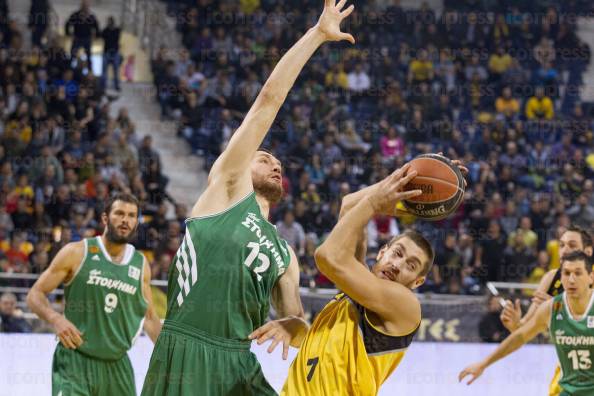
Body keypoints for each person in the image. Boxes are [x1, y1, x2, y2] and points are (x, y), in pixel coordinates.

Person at [141, 1, 355, 395]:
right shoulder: (227, 187)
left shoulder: (285, 253)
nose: (275, 165)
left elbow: (295, 323)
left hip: (240, 362)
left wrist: (296, 326)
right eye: (264, 158)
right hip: (188, 347)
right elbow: (267, 102)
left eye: (278, 163)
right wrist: (317, 35)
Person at [276, 164, 434, 395]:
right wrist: (401, 179)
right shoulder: (357, 284)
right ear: (382, 252)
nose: (398, 265)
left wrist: (373, 204)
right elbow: (349, 205)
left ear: (417, 282)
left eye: (411, 266)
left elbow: (326, 256)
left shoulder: (406, 305)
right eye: (397, 253)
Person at [27, 193, 162, 396]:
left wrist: (171, 357)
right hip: (75, 360)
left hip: (117, 364)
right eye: (119, 213)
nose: (126, 220)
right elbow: (35, 294)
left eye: (132, 215)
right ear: (105, 218)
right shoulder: (76, 252)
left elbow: (150, 318)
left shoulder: (140, 264)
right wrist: (55, 319)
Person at [460, 251, 594, 396]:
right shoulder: (550, 308)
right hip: (569, 391)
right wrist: (484, 364)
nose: (572, 279)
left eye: (578, 273)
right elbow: (520, 337)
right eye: (566, 273)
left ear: (591, 277)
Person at [500, 226, 593, 396]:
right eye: (562, 245)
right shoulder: (551, 278)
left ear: (588, 251)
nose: (565, 250)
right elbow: (524, 330)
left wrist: (561, 307)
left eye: (572, 245)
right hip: (571, 368)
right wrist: (514, 323)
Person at [65, 0, 99, 69]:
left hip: (87, 39)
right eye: (84, 6)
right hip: (77, 38)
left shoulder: (91, 17)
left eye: (87, 6)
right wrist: (69, 34)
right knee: (72, 56)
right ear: (81, 6)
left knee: (89, 57)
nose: (85, 7)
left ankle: (90, 72)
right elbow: (67, 24)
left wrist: (95, 36)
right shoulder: (75, 15)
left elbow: (97, 27)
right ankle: (69, 71)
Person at [100, 16, 122, 91]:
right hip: (106, 52)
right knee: (104, 71)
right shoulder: (105, 30)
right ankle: (103, 85)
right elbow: (101, 35)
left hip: (115, 52)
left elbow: (118, 37)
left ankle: (116, 85)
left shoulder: (117, 30)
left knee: (116, 70)